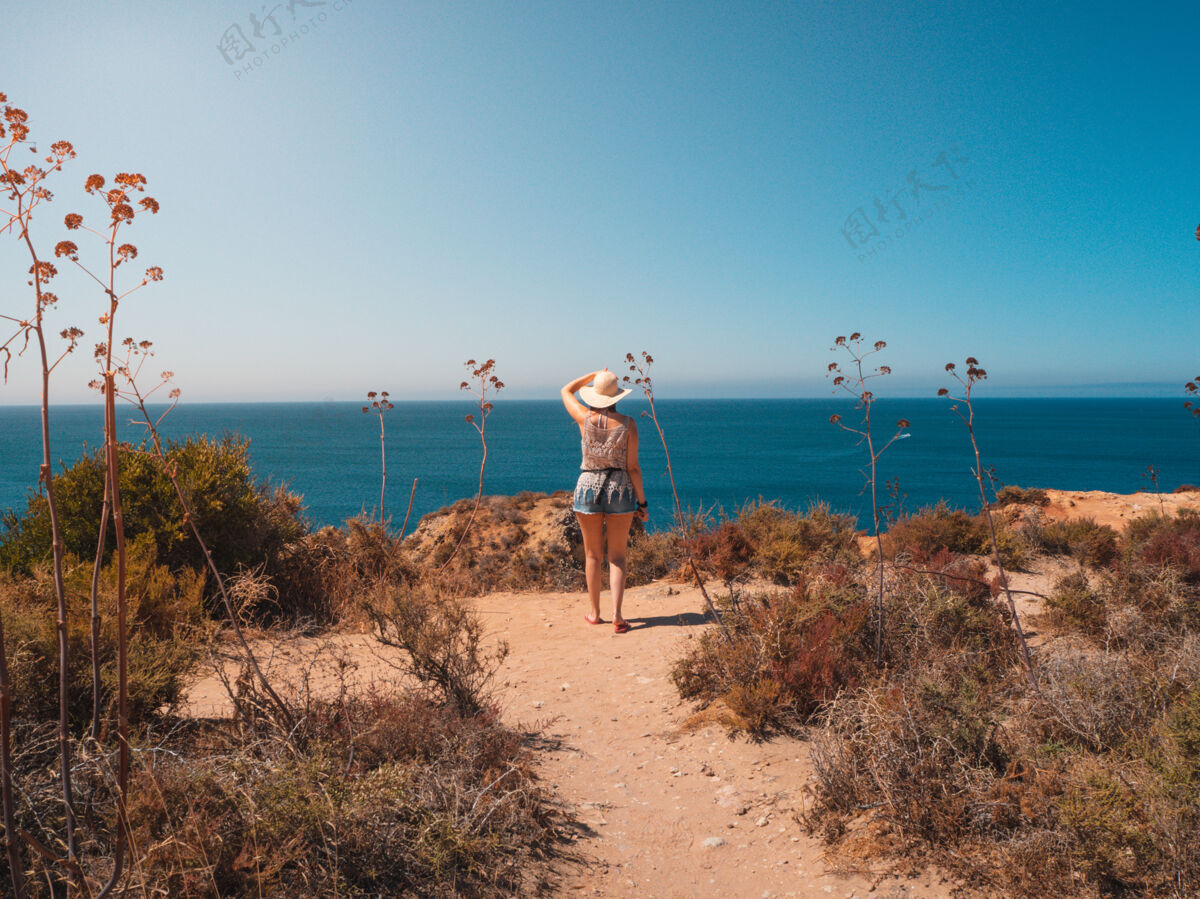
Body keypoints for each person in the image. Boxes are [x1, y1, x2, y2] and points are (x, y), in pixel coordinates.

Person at [561, 368, 648, 633]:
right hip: (620, 490)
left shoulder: (582, 418)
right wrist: (642, 504)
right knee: (618, 557)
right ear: (617, 396)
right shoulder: (628, 424)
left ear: (594, 396)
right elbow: (633, 467)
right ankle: (618, 616)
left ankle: (595, 613)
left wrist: (593, 375)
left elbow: (566, 390)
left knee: (592, 555)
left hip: (587, 488)